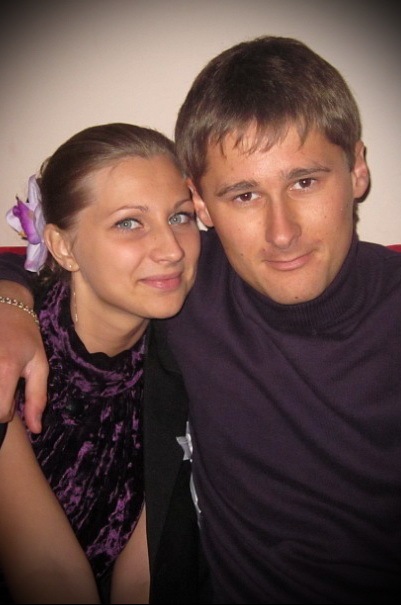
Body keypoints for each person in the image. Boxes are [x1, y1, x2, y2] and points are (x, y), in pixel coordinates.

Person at [1, 36, 401, 603]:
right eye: (244, 195)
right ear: (206, 205)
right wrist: (10, 302)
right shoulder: (182, 283)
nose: (282, 233)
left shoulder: (181, 283)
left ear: (357, 168)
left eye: (305, 181)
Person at [0, 123, 210, 604]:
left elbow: (143, 573)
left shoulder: (182, 362)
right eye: (129, 223)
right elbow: (48, 572)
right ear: (63, 246)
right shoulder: (14, 356)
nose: (172, 249)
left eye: (180, 217)